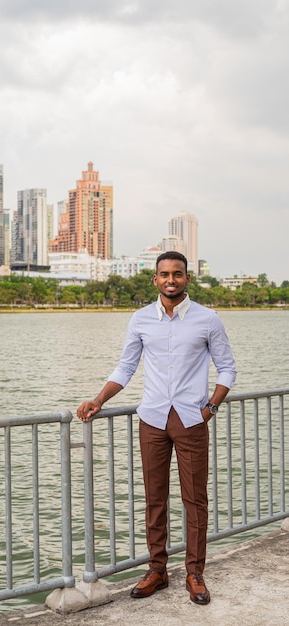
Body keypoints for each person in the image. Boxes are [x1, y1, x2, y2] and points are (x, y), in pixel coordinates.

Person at [77, 251, 236, 605]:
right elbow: (125, 367)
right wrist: (98, 400)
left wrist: (210, 407)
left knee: (195, 500)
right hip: (152, 419)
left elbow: (227, 369)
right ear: (155, 279)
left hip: (192, 419)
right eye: (164, 274)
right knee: (154, 498)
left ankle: (195, 573)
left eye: (177, 274)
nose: (170, 280)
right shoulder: (140, 320)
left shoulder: (208, 320)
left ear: (186, 279)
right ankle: (158, 570)